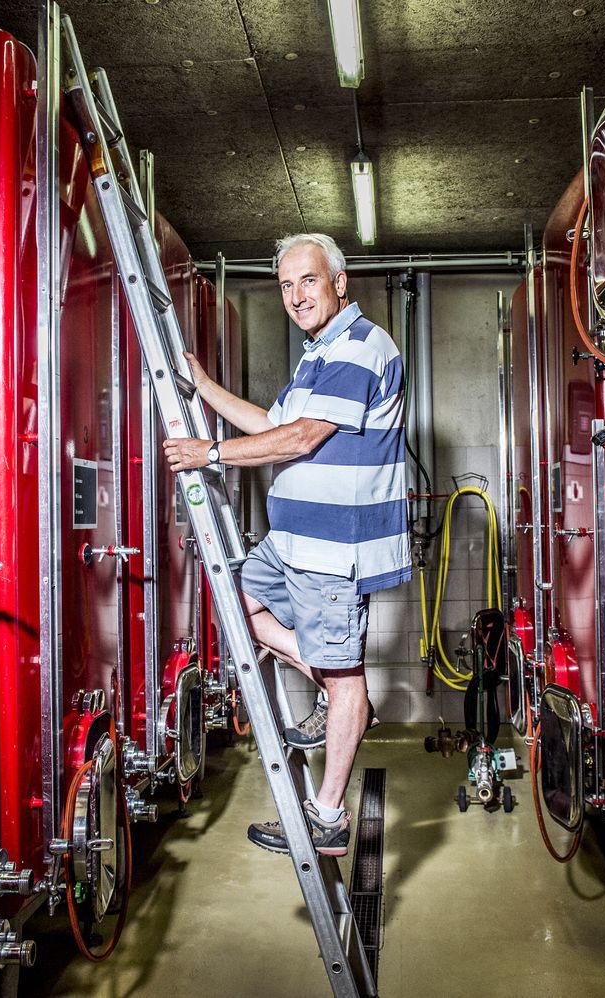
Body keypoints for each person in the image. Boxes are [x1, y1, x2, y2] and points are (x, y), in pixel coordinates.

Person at [163, 232, 410, 855]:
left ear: (339, 282)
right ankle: (337, 689)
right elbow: (272, 424)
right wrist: (203, 385)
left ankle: (327, 815)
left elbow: (299, 439)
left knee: (342, 667)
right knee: (237, 605)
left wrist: (208, 454)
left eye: (308, 280)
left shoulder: (360, 346)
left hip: (332, 550)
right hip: (290, 544)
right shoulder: (316, 355)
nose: (297, 296)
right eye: (286, 286)